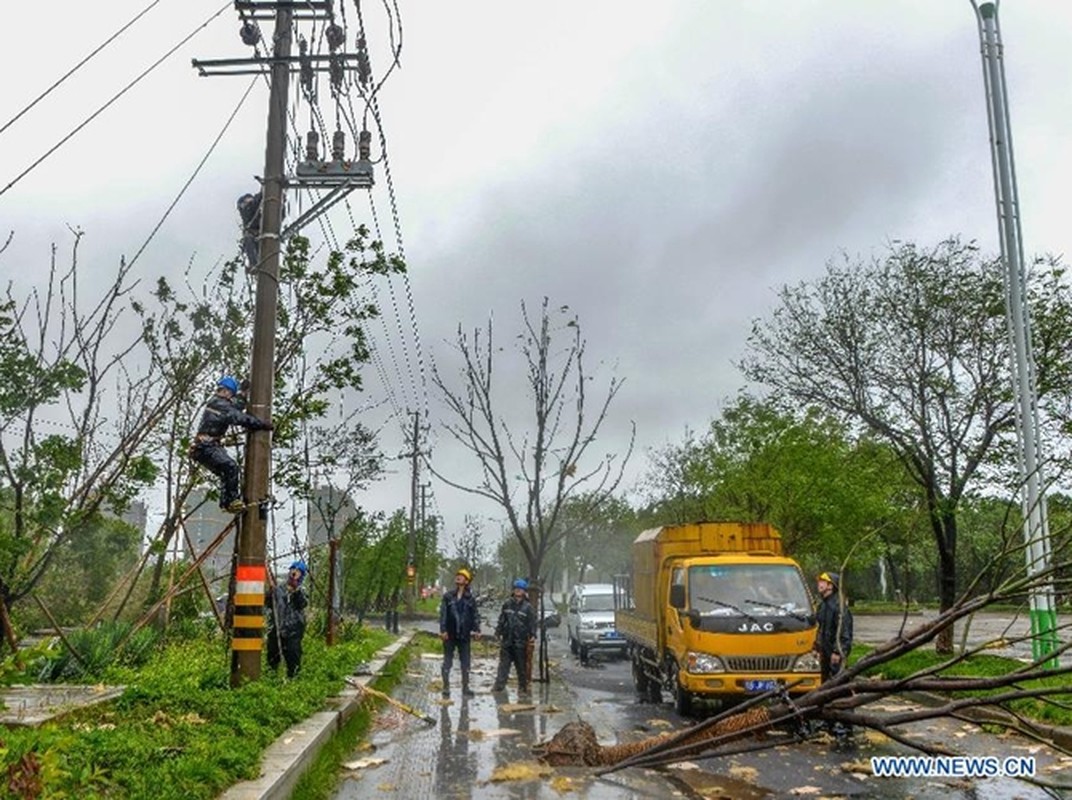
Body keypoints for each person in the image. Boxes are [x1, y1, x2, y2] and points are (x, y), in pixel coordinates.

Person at [189, 376, 272, 512]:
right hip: (205, 446)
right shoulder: (219, 405)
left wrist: (243, 394)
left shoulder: (218, 403)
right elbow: (238, 417)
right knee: (230, 466)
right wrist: (262, 424)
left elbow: (235, 406)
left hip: (205, 447)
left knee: (226, 472)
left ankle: (226, 503)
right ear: (226, 392)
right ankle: (231, 501)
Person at [812, 570, 854, 740]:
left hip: (836, 654)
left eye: (823, 581)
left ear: (831, 586)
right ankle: (827, 721)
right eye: (819, 581)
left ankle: (846, 723)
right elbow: (820, 629)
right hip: (825, 652)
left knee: (841, 688)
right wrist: (816, 647)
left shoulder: (840, 606)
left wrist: (839, 651)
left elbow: (845, 632)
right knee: (826, 688)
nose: (819, 584)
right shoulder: (822, 606)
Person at [439, 567, 482, 699]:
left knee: (465, 662)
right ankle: (446, 687)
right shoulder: (448, 597)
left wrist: (477, 630)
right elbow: (443, 614)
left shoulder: (470, 599)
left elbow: (475, 615)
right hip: (450, 634)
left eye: (462, 576)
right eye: (457, 575)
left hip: (464, 635)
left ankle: (465, 687)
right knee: (447, 661)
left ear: (467, 581)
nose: (458, 577)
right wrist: (443, 630)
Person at [492, 578, 536, 696]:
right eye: (516, 588)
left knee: (521, 666)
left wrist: (532, 635)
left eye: (520, 589)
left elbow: (532, 623)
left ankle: (522, 687)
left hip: (520, 642)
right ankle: (499, 685)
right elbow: (502, 619)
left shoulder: (528, 607)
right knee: (503, 665)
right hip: (507, 640)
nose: (518, 591)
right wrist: (498, 632)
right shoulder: (507, 604)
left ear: (524, 591)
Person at [266, 561, 308, 678]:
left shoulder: (301, 591)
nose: (294, 573)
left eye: (298, 571)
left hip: (293, 632)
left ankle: (293, 682)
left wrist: (295, 590)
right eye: (292, 569)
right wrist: (270, 593)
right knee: (272, 659)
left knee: (293, 660)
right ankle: (271, 681)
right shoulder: (278, 589)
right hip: (276, 629)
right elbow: (268, 603)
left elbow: (302, 604)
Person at [237, 191, 262, 272]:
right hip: (255, 234)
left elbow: (259, 197)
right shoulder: (248, 210)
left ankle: (255, 264)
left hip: (261, 231)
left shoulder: (255, 205)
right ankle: (255, 264)